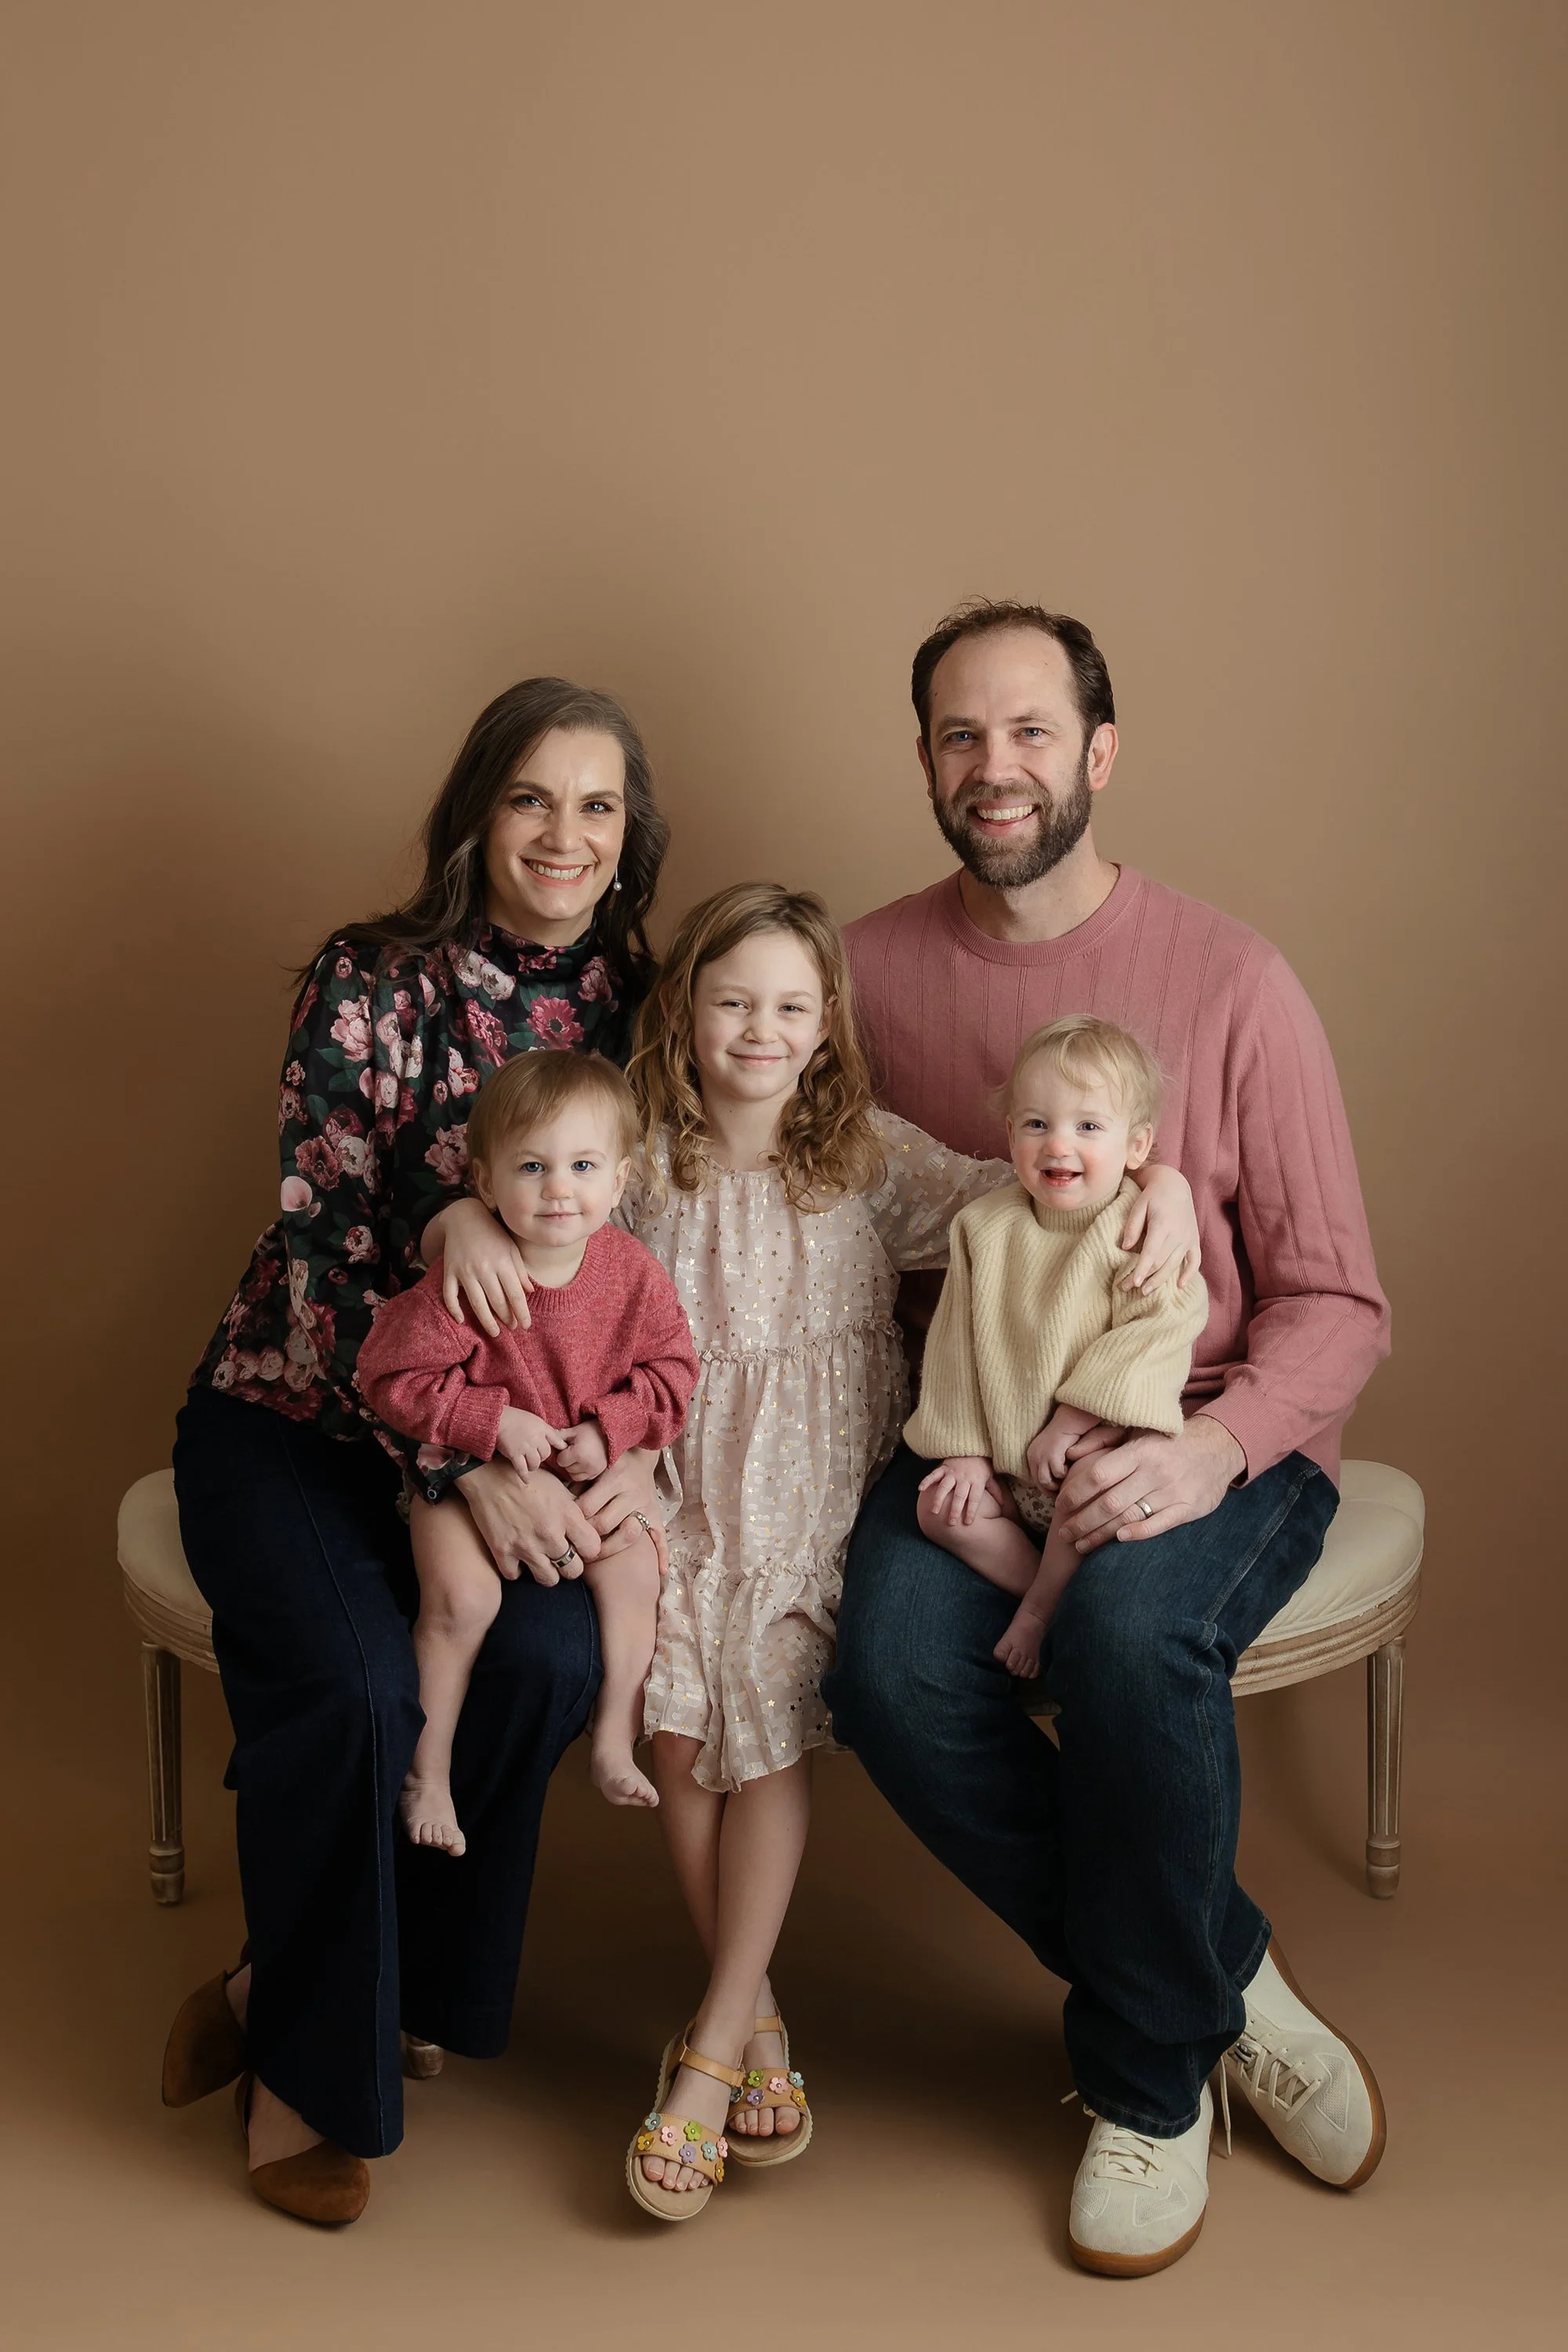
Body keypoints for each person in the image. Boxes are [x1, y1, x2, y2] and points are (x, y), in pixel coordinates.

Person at [825, 600, 1392, 2277]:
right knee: (884, 1669)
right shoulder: (860, 975)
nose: (992, 768)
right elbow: (736, 1136)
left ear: (1098, 752)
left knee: (1138, 1628)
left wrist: (1208, 1459)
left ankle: (1146, 2087)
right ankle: (1225, 1977)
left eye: (1026, 732)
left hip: (1205, 1428)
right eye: (956, 735)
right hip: (981, 1444)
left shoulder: (1234, 982)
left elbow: (1338, 1302)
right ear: (924, 758)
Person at [581, 882, 1198, 2220]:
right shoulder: (635, 1163)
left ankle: (706, 2055)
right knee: (681, 1732)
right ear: (684, 1010)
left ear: (825, 1028)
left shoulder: (860, 1157)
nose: (760, 1029)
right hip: (681, 1484)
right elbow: (537, 1233)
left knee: (772, 1734)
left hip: (812, 1495)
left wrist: (1174, 1185)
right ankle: (762, 2024)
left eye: (792, 1007)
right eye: (733, 1000)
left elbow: (1042, 1188)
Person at [162, 677, 673, 2224]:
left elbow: (658, 1241)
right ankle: (307, 2082)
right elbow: (321, 1247)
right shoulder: (369, 977)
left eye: (597, 805)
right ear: (476, 812)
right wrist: (459, 1460)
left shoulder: (634, 1003)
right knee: (362, 1681)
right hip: (304, 1416)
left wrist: (627, 1448)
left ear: (630, 836)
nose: (563, 835)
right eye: (531, 798)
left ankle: (312, 1984)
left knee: (542, 1660)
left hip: (517, 1443)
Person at [356, 1052, 699, 1835]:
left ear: (617, 1182)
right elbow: (387, 1378)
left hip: (587, 1475)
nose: (557, 1189)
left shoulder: (631, 1275)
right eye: (532, 1167)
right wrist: (489, 1421)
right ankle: (427, 1773)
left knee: (636, 1576)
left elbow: (674, 1372)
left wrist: (607, 1429)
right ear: (483, 1182)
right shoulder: (468, 1277)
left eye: (582, 1166)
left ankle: (614, 1737)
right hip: (466, 1473)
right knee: (461, 1604)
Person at [909, 1014, 1207, 1679]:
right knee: (937, 1509)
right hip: (1013, 1469)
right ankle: (1043, 1582)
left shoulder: (1137, 1225)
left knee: (1093, 1490)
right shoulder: (985, 1228)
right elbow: (955, 1345)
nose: (1058, 1144)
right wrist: (964, 1453)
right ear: (1010, 1134)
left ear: (1137, 1146)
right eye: (1036, 1124)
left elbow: (1162, 1327)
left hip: (1092, 1453)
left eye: (1088, 1127)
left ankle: (1039, 1610)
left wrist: (1071, 1424)